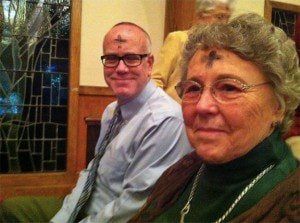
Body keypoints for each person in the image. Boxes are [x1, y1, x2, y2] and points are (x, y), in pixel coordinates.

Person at [0, 22, 192, 223]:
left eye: (131, 58)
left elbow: (132, 208)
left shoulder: (164, 121)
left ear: (149, 64)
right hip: (83, 207)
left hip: (111, 217)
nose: (120, 68)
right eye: (111, 58)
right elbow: (92, 171)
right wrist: (64, 215)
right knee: (11, 209)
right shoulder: (111, 111)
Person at [129, 13, 300, 222]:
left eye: (229, 87)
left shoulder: (289, 205)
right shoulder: (180, 172)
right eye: (193, 88)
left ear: (279, 103)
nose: (202, 106)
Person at [152, 0, 234, 103]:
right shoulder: (178, 39)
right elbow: (156, 80)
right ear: (201, 16)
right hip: (174, 112)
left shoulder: (221, 48)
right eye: (220, 17)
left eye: (227, 18)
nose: (224, 23)